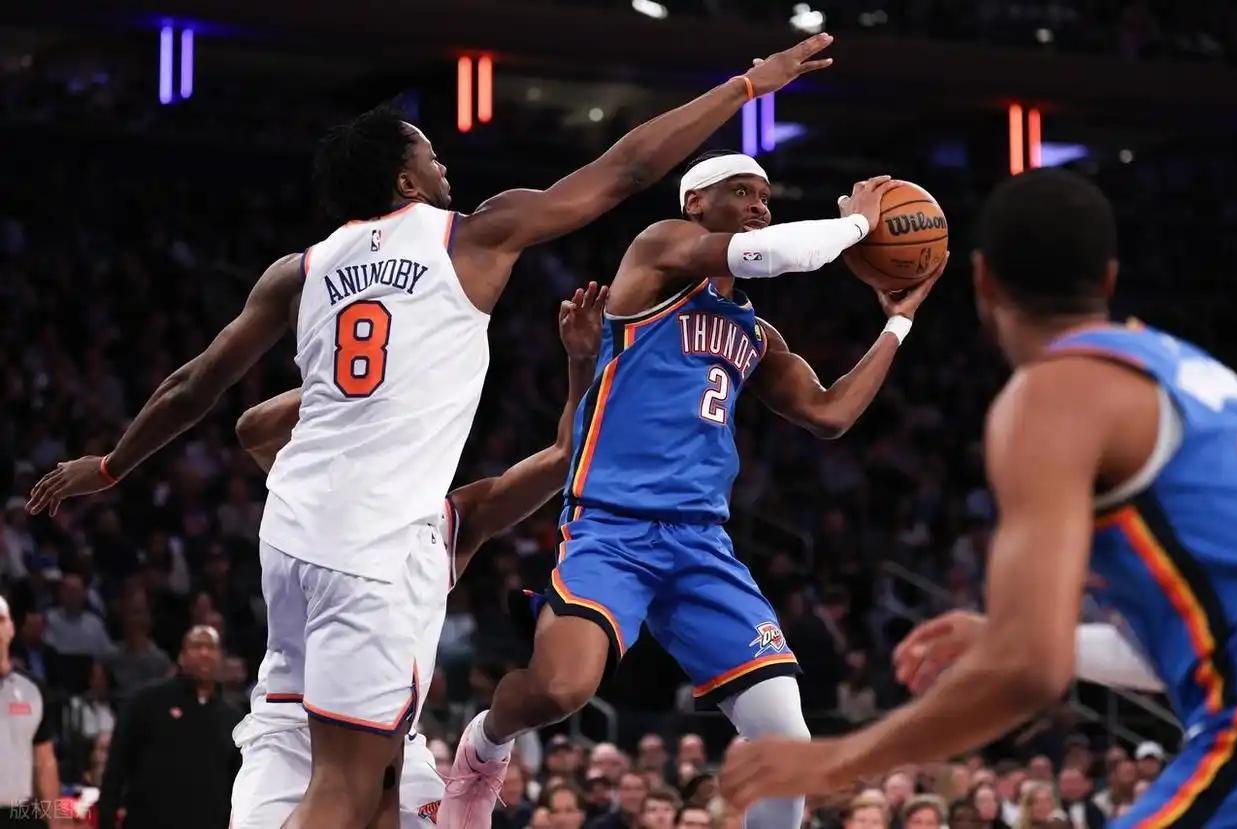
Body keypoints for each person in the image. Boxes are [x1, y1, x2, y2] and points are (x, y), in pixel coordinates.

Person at [26, 31, 837, 829]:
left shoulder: (298, 269)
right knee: (347, 789)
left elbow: (196, 384)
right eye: (433, 156)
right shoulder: (471, 235)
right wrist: (745, 87)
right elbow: (624, 170)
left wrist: (113, 464)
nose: (447, 167)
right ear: (405, 177)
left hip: (290, 529)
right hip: (377, 541)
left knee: (376, 781)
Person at [719, 167, 1237, 825]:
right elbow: (1193, 647)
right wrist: (1010, 635)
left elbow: (1029, 669)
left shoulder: (1057, 392)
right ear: (1109, 279)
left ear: (982, 281)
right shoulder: (1195, 376)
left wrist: (838, 758)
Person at [446, 148, 945, 828]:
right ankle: (485, 743)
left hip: (702, 541)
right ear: (695, 204)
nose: (759, 206)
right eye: (741, 192)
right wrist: (859, 225)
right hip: (612, 527)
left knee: (787, 740)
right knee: (561, 689)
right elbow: (770, 255)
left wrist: (898, 321)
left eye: (764, 197)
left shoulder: (756, 334)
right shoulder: (659, 254)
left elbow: (829, 414)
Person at [228, 286, 605, 829]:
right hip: (293, 736)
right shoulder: (323, 499)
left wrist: (581, 363)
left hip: (394, 745)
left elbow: (566, 455)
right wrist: (380, 372)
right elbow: (254, 430)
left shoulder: (449, 523)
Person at [98, 625, 242, 829]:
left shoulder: (233, 719)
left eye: (211, 647)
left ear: (220, 658)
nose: (204, 653)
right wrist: (107, 817)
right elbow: (116, 764)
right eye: (196, 646)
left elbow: (238, 784)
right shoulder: (146, 702)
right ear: (182, 656)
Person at [0, 595, 60, 829]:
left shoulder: (33, 689)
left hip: (21, 813)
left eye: (1, 620)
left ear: (12, 628)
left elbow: (45, 762)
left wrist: (54, 822)